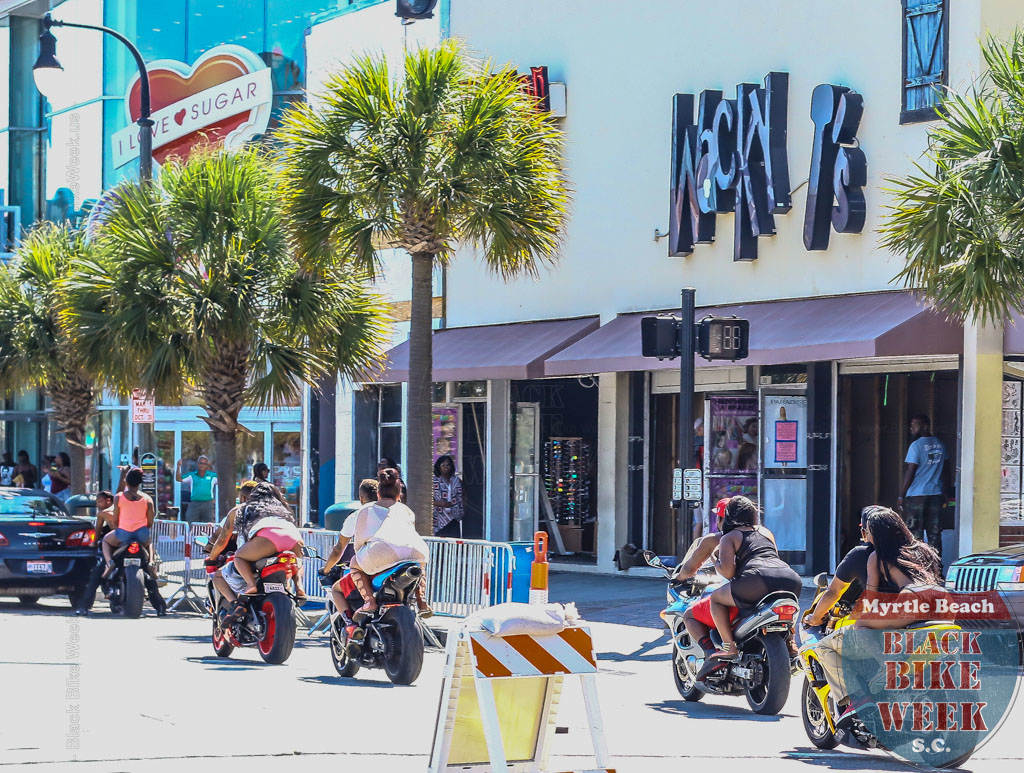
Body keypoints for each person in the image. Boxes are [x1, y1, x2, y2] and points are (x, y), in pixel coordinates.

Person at [814, 507, 943, 723]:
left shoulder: (876, 556)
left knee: (856, 627)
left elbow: (871, 598)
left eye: (866, 531)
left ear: (875, 533)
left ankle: (870, 686)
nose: (864, 535)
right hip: (938, 603)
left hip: (909, 604)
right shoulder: (923, 550)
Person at [704, 496, 802, 665]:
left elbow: (727, 572)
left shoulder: (729, 537)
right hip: (790, 577)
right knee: (783, 605)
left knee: (716, 599)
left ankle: (729, 647)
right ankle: (790, 642)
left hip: (757, 579)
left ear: (729, 516)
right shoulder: (766, 532)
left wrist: (715, 559)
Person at [348, 468, 431, 617]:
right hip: (417, 551)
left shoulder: (366, 510)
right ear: (399, 495)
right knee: (420, 565)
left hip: (382, 552)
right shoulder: (406, 510)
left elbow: (358, 544)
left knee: (354, 562)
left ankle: (369, 601)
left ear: (378, 493)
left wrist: (363, 557)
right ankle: (422, 599)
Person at [803, 506, 883, 634]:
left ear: (864, 532)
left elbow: (834, 592)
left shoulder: (860, 554)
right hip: (913, 619)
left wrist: (814, 618)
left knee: (827, 646)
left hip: (879, 627)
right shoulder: (913, 550)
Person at [231, 482, 304, 597]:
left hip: (269, 539)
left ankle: (251, 585)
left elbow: (243, 539)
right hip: (295, 538)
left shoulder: (249, 508)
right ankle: (299, 587)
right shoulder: (283, 509)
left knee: (239, 557)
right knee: (297, 562)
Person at [321, 478, 379, 618]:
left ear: (361, 498)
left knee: (336, 590)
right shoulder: (392, 512)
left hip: (370, 566)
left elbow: (339, 548)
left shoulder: (358, 515)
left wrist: (326, 569)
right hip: (399, 564)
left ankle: (350, 624)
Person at [899, 414, 948, 557]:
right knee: (935, 533)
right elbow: (947, 471)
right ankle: (936, 566)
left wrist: (901, 495)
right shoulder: (940, 444)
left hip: (916, 496)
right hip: (936, 494)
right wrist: (945, 492)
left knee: (914, 534)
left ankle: (917, 566)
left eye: (915, 425)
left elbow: (910, 471)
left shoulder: (916, 446)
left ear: (925, 426)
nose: (911, 428)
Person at [206, 481, 258, 613]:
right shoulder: (271, 511)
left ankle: (236, 606)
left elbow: (221, 539)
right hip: (275, 553)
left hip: (248, 556)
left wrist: (211, 558)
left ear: (243, 498)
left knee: (218, 576)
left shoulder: (238, 511)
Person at [101, 468, 155, 577]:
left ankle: (109, 563)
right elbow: (150, 522)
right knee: (149, 542)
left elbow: (115, 519)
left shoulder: (118, 497)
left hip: (123, 534)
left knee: (105, 541)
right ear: (140, 482)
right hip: (141, 535)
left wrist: (117, 527)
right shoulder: (148, 499)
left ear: (127, 481)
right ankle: (151, 562)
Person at [176, 455, 217, 523]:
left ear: (207, 465)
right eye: (200, 463)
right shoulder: (192, 475)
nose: (202, 465)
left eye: (204, 463)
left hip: (208, 504)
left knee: (208, 525)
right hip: (194, 503)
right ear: (198, 464)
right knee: (191, 523)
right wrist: (178, 466)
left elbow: (223, 481)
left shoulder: (212, 476)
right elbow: (178, 479)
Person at [432, 455, 464, 536]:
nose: (446, 467)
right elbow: (427, 499)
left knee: (453, 541)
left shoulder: (456, 480)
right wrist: (439, 503)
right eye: (443, 465)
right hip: (439, 517)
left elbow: (462, 496)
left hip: (454, 517)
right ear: (439, 467)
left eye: (448, 465)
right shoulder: (434, 481)